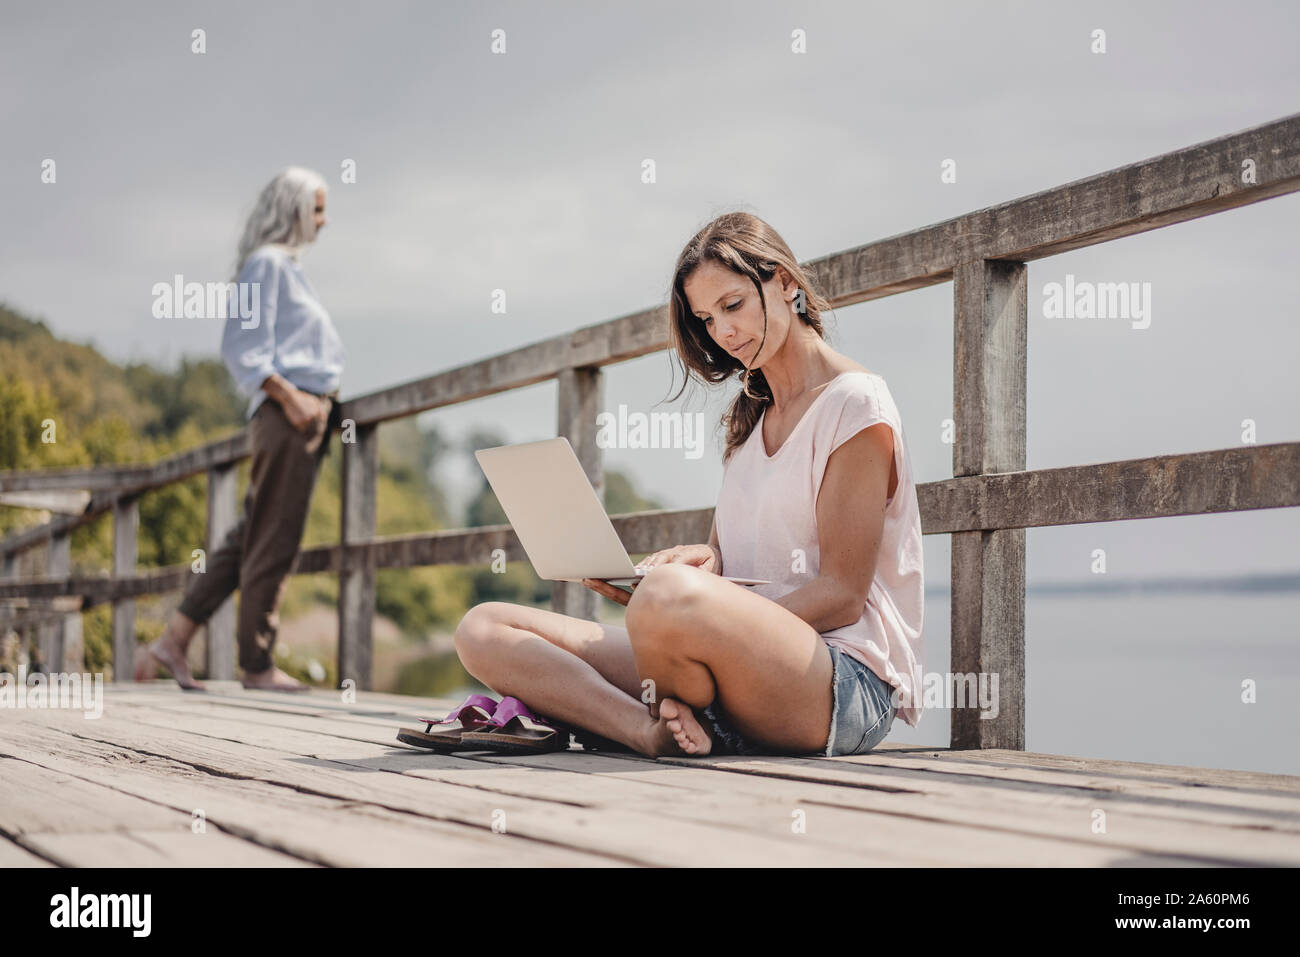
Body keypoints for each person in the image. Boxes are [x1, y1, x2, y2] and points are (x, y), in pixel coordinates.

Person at [453, 211, 924, 756]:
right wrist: (704, 565)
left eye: (733, 305)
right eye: (705, 318)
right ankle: (646, 730)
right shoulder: (753, 419)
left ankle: (668, 699)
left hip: (839, 683)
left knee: (666, 597)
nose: (723, 333)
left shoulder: (854, 403)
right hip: (723, 661)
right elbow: (736, 562)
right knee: (484, 627)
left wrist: (694, 615)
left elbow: (842, 595)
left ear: (786, 283)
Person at [135, 166, 344, 691]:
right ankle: (256, 666)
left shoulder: (283, 267)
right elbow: (243, 346)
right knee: (275, 539)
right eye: (317, 208)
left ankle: (173, 641)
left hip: (295, 415)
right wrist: (292, 397)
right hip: (289, 416)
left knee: (251, 535)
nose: (324, 220)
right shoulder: (268, 263)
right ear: (293, 210)